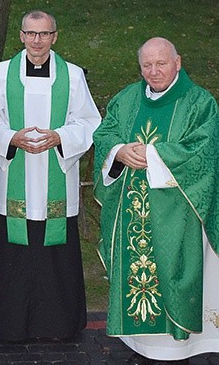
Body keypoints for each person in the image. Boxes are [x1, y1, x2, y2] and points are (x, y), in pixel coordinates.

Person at [93, 37, 219, 365]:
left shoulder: (199, 103)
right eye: (146, 65)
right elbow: (104, 133)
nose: (153, 71)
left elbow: (203, 150)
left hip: (179, 215)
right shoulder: (126, 100)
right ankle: (140, 342)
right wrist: (117, 151)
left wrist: (151, 154)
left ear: (178, 62)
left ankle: (182, 344)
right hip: (132, 210)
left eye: (161, 63)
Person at [0, 10, 101, 341]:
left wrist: (60, 137)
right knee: (17, 258)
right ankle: (13, 327)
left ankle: (59, 326)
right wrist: (11, 139)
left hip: (57, 181)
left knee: (56, 258)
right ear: (21, 35)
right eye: (31, 34)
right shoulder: (2, 74)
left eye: (44, 34)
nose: (37, 40)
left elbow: (88, 122)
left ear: (55, 36)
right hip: (16, 178)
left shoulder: (73, 76)